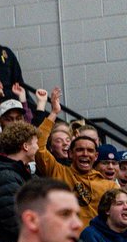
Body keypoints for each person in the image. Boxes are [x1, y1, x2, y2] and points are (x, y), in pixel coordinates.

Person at [36, 88, 115, 228]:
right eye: (79, 150)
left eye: (90, 151)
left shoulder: (108, 185)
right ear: (70, 153)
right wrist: (54, 112)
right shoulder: (58, 172)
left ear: (96, 156)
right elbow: (39, 145)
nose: (85, 154)